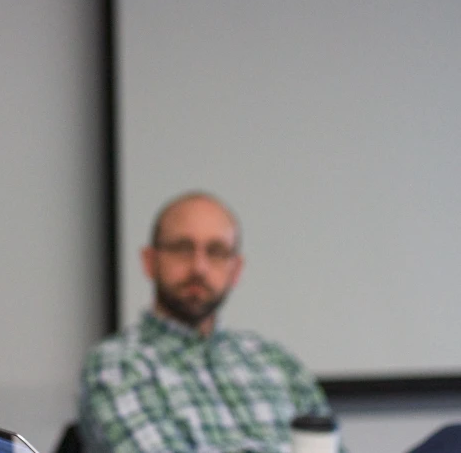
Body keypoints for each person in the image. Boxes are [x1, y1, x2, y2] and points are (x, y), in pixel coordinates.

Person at [78, 191, 342, 452]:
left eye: (216, 251)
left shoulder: (277, 363)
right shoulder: (117, 364)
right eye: (182, 249)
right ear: (150, 261)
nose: (199, 267)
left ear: (235, 269)